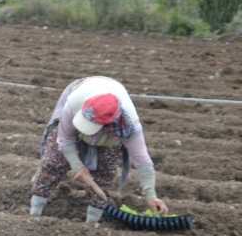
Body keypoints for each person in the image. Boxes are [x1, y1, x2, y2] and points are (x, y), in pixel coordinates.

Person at [30, 76, 168, 222]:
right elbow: (65, 140)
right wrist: (78, 167)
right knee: (54, 161)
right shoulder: (74, 102)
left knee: (105, 171)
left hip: (111, 135)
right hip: (83, 87)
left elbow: (143, 162)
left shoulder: (129, 127)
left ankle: (91, 224)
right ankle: (34, 213)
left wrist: (151, 196)